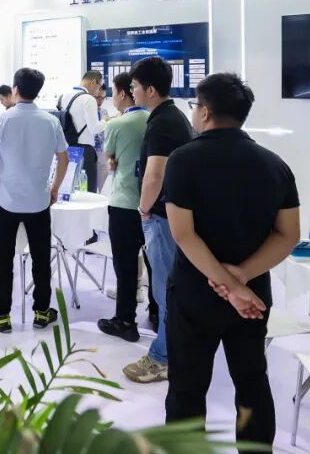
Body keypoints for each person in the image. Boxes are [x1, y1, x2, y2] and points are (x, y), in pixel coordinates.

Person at [164, 73, 300, 447]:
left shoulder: (183, 160)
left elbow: (183, 234)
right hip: (252, 296)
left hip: (194, 292)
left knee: (187, 386)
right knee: (251, 382)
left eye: (194, 105)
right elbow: (288, 234)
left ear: (205, 112)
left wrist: (227, 283)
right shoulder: (274, 164)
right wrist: (241, 278)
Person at [0, 68, 68, 333]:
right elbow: (63, 159)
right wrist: (54, 189)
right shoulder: (50, 121)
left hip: (6, 201)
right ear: (37, 91)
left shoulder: (0, 119)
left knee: (3, 259)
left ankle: (2, 316)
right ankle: (42, 312)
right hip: (39, 201)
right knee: (41, 259)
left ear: (15, 90)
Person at [123, 56, 193, 384]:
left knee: (165, 291)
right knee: (168, 289)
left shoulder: (164, 122)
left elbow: (155, 175)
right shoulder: (171, 117)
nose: (131, 91)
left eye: (135, 86)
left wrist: (143, 208)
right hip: (171, 215)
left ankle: (162, 358)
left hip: (162, 217)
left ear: (150, 90)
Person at [96, 72, 150, 343]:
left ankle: (125, 320)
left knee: (125, 264)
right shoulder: (155, 119)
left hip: (124, 202)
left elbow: (110, 159)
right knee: (153, 262)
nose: (111, 98)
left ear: (123, 93)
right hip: (152, 203)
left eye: (113, 92)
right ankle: (156, 312)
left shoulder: (116, 124)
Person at [56, 71, 106, 193]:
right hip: (84, 152)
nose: (98, 91)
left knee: (67, 190)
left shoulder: (63, 96)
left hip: (65, 150)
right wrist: (106, 121)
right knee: (87, 191)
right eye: (99, 86)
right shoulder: (88, 99)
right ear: (93, 82)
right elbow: (95, 128)